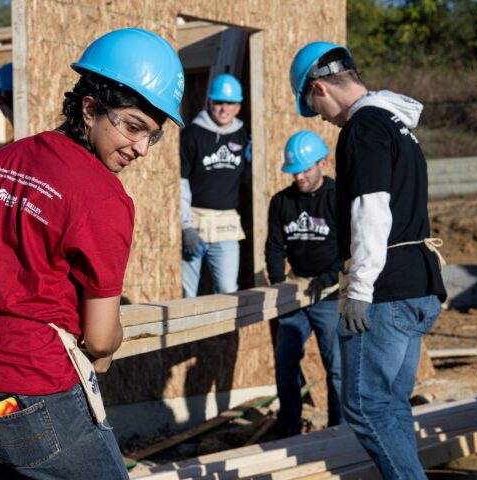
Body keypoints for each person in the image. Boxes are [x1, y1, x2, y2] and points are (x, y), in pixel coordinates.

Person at [0, 28, 185, 479]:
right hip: (24, 395)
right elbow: (101, 339)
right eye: (133, 126)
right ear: (89, 108)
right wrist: (108, 343)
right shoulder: (103, 197)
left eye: (152, 136)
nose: (141, 148)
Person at [289, 41, 447, 479]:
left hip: (386, 291)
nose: (320, 116)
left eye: (313, 105)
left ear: (320, 87)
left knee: (364, 406)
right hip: (418, 283)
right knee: (391, 403)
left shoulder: (362, 129)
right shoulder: (397, 126)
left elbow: (371, 211)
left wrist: (357, 290)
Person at [265, 130, 344, 438]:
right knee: (285, 361)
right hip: (296, 293)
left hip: (329, 293)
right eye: (294, 170)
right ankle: (288, 426)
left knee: (336, 366)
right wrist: (278, 284)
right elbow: (274, 247)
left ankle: (340, 428)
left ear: (322, 163)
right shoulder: (282, 202)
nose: (299, 176)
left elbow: (350, 248)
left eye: (305, 169)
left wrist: (328, 279)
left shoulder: (338, 198)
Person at [180, 73, 251, 297]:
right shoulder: (191, 135)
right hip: (196, 221)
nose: (224, 108)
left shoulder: (244, 135)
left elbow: (248, 182)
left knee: (228, 291)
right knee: (188, 294)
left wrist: (252, 161)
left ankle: (224, 334)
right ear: (210, 102)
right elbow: (181, 183)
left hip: (227, 224)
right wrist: (185, 227)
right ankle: (190, 334)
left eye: (229, 103)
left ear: (238, 107)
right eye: (219, 102)